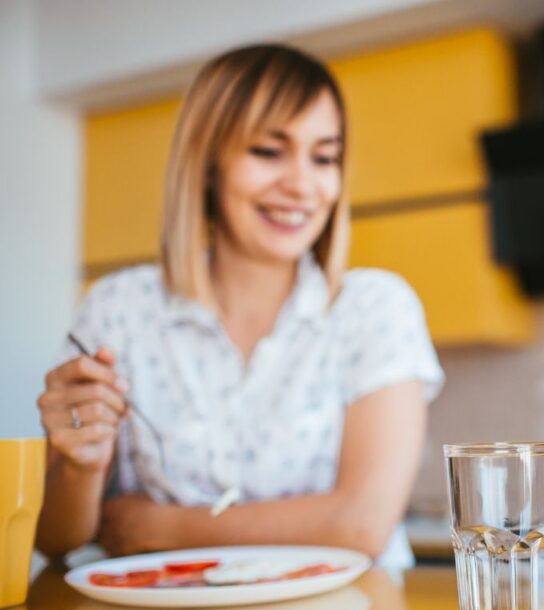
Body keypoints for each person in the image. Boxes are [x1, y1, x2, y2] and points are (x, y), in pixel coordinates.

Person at [34, 44, 443, 570]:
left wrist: (159, 527)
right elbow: (56, 539)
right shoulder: (118, 309)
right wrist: (79, 465)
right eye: (268, 152)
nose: (301, 185)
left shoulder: (375, 308)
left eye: (324, 157)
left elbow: (360, 524)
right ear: (207, 165)